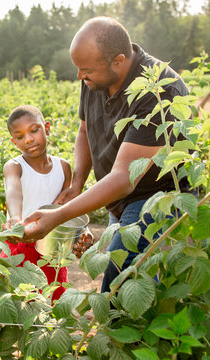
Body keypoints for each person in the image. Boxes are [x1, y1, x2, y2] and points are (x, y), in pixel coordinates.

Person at [20, 17, 191, 293]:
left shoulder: (159, 90)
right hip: (118, 200)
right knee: (127, 277)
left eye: (86, 70)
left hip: (158, 199)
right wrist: (77, 184)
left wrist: (59, 215)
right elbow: (85, 130)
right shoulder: (93, 77)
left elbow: (125, 177)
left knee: (122, 288)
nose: (79, 76)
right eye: (78, 68)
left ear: (118, 61)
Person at [1, 105, 72, 302]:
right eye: (20, 136)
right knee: (17, 301)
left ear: (46, 128)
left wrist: (82, 231)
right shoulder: (14, 167)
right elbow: (13, 192)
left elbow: (68, 205)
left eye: (34, 130)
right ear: (14, 142)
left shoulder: (63, 167)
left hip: (52, 250)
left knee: (52, 301)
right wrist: (16, 219)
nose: (29, 139)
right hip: (21, 243)